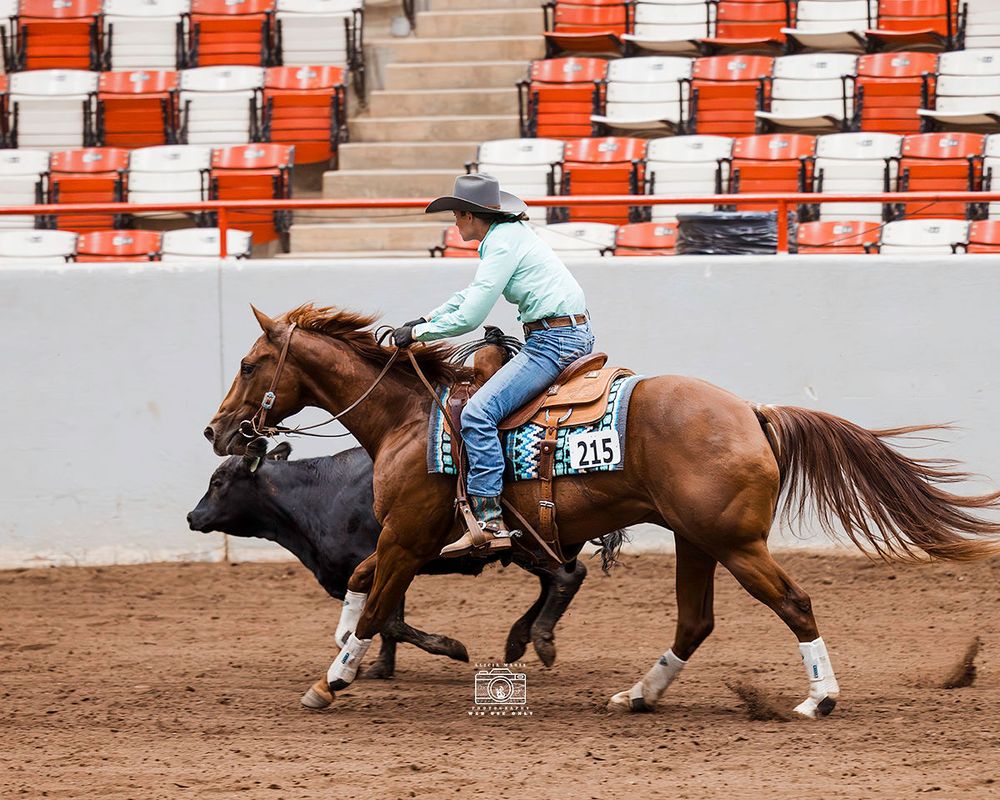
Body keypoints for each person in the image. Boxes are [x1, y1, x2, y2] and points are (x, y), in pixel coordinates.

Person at [392, 174, 594, 559]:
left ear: (471, 216)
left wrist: (424, 333)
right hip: (564, 332)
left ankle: (488, 519)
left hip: (554, 341)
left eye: (456, 215)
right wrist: (423, 321)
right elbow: (470, 295)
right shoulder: (507, 237)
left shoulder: (500, 244)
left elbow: (471, 316)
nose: (454, 223)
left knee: (478, 413)